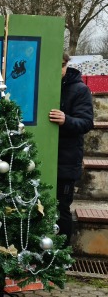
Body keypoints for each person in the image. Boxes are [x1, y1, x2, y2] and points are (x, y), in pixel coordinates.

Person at [50, 53, 94, 246]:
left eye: (61, 65)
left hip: (66, 161)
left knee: (61, 209)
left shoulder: (80, 89)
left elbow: (86, 122)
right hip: (44, 158)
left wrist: (66, 120)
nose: (58, 70)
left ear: (66, 65)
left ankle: (62, 253)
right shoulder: (42, 86)